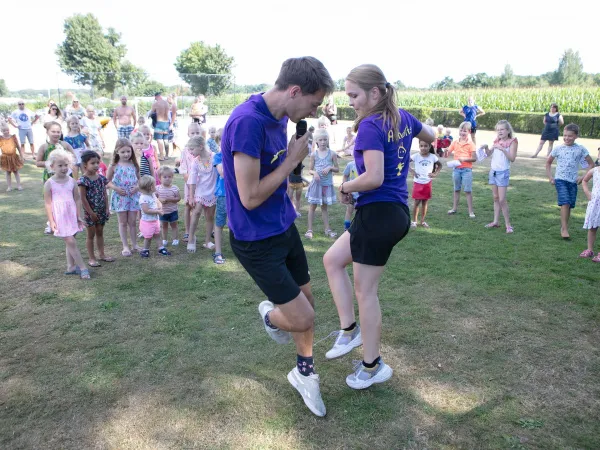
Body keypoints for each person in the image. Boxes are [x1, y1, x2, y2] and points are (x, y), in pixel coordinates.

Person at [221, 56, 334, 417]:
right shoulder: (247, 122)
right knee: (301, 318)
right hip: (256, 240)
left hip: (283, 226)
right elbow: (250, 197)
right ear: (294, 91)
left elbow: (274, 174)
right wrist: (290, 161)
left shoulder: (278, 116)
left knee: (309, 310)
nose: (314, 112)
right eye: (314, 104)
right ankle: (271, 316)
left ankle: (305, 374)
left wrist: (289, 172)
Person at [322, 64, 435, 391]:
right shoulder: (403, 118)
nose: (351, 102)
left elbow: (373, 178)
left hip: (380, 214)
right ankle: (349, 330)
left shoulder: (371, 125)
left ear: (375, 93)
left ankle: (372, 366)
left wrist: (345, 187)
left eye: (354, 95)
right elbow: (433, 136)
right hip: (393, 212)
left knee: (365, 292)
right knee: (332, 261)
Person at [43, 149, 89, 279]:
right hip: (59, 217)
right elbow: (48, 203)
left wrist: (78, 214)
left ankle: (71, 267)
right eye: (60, 165)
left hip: (71, 214)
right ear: (52, 166)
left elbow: (77, 198)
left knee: (71, 241)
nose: (64, 168)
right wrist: (51, 221)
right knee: (70, 241)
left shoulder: (72, 181)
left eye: (65, 165)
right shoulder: (49, 183)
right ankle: (83, 268)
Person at [546, 124, 594, 239]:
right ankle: (564, 229)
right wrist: (550, 177)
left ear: (576, 136)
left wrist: (582, 177)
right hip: (560, 180)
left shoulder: (581, 149)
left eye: (570, 136)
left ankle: (564, 226)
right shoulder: (558, 148)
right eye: (565, 135)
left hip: (572, 182)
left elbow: (591, 164)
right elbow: (548, 163)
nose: (567, 138)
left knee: (569, 205)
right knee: (565, 202)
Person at [481, 120, 518, 233]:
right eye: (498, 130)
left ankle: (508, 225)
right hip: (493, 172)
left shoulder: (512, 142)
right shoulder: (497, 141)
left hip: (503, 173)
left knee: (502, 200)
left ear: (508, 130)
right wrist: (486, 147)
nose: (500, 131)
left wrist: (503, 149)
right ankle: (495, 221)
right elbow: (488, 154)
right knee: (496, 198)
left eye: (502, 129)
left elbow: (512, 158)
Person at [77, 151, 114, 267]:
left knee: (100, 232)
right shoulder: (83, 180)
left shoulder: (101, 178)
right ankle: (92, 258)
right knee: (90, 235)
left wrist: (107, 209)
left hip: (101, 211)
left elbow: (105, 194)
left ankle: (102, 254)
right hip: (90, 213)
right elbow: (83, 198)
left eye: (98, 162)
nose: (96, 165)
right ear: (85, 165)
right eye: (92, 163)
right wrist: (91, 212)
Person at [108, 138, 141, 256]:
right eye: (123, 152)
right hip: (120, 196)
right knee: (122, 222)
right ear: (117, 152)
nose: (126, 154)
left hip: (133, 196)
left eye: (128, 151)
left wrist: (137, 187)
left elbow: (139, 180)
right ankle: (125, 246)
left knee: (132, 222)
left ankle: (135, 244)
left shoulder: (134, 164)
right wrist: (116, 188)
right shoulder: (114, 165)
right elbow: (107, 181)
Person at [305, 128, 339, 239]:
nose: (323, 142)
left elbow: (337, 169)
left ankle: (327, 229)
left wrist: (330, 167)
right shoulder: (314, 154)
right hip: (316, 185)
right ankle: (309, 230)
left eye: (325, 139)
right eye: (321, 140)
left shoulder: (332, 154)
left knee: (324, 208)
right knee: (312, 207)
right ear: (316, 141)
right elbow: (309, 169)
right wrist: (314, 173)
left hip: (326, 184)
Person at [186, 136, 217, 253]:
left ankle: (207, 240)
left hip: (212, 190)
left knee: (210, 216)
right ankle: (191, 239)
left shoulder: (214, 157)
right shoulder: (195, 162)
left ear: (200, 147)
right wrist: (191, 196)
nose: (190, 152)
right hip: (200, 191)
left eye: (192, 149)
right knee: (196, 212)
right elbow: (192, 180)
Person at [447, 121, 477, 217]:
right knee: (456, 189)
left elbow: (474, 158)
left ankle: (470, 211)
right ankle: (454, 209)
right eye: (461, 130)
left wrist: (464, 159)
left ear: (469, 132)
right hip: (456, 169)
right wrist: (445, 151)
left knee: (467, 191)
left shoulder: (471, 144)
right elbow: (448, 152)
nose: (462, 133)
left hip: (467, 170)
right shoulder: (455, 142)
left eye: (464, 131)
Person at [179, 123, 203, 241]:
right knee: (188, 206)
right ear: (188, 134)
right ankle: (188, 231)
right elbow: (183, 167)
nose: (194, 135)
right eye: (192, 133)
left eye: (197, 132)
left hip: (201, 184)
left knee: (199, 207)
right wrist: (187, 178)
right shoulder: (184, 151)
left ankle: (206, 230)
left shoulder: (203, 150)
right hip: (189, 183)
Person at [409, 140, 441, 228]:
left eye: (425, 146)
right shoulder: (415, 156)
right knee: (417, 202)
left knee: (425, 202)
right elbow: (405, 162)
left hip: (427, 182)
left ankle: (422, 221)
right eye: (421, 146)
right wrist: (412, 171)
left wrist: (435, 173)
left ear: (430, 146)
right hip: (418, 182)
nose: (423, 148)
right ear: (419, 146)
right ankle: (414, 221)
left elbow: (440, 165)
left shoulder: (433, 157)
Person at [138, 175, 171, 257]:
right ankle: (145, 250)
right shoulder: (143, 198)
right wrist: (157, 211)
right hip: (147, 222)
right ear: (150, 187)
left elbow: (157, 201)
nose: (156, 185)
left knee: (157, 234)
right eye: (154, 184)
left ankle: (161, 248)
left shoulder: (152, 195)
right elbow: (146, 210)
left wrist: (160, 207)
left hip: (155, 221)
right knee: (148, 237)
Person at [212, 129, 227, 265]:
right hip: (223, 194)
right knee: (220, 223)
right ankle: (218, 252)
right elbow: (222, 173)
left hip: (238, 195)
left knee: (237, 223)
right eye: (222, 140)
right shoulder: (218, 157)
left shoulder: (239, 156)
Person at [156, 166, 181, 248]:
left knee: (174, 225)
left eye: (169, 177)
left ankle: (175, 239)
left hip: (173, 211)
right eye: (165, 177)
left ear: (172, 177)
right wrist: (160, 199)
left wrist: (170, 199)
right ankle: (164, 239)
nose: (167, 179)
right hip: (162, 211)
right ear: (160, 178)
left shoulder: (175, 188)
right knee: (164, 226)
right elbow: (155, 197)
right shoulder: (158, 188)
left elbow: (178, 198)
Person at [580, 164, 600, 261]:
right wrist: (587, 192)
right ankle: (590, 250)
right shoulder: (594, 170)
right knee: (592, 227)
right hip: (595, 203)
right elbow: (584, 180)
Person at [0, 122, 25, 191]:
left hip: (13, 157)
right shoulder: (1, 138)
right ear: (1, 131)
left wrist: (21, 155)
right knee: (8, 172)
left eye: (7, 130)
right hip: (5, 157)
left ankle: (19, 185)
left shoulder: (13, 137)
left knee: (16, 171)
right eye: (4, 131)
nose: (6, 132)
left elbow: (18, 147)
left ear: (9, 130)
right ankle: (9, 186)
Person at [151, 92, 171, 160]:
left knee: (159, 140)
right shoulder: (166, 103)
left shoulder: (155, 103)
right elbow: (169, 114)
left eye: (155, 98)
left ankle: (162, 156)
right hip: (166, 123)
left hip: (159, 123)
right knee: (166, 140)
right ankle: (167, 155)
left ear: (156, 96)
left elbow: (151, 113)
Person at [341, 157, 358, 230]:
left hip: (362, 194)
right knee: (349, 210)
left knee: (358, 212)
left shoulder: (366, 165)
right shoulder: (350, 164)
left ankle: (357, 228)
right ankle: (346, 228)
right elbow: (345, 175)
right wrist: (345, 188)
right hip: (352, 193)